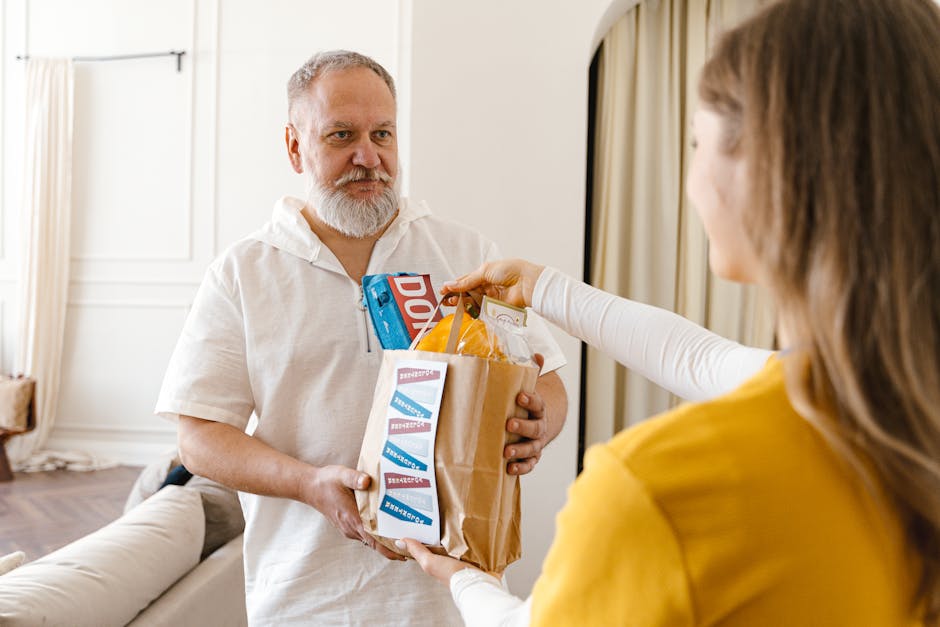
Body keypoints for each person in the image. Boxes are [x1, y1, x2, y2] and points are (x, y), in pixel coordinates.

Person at [400, 0, 940, 624]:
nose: (688, 179)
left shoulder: (655, 493)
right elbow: (703, 359)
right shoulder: (897, 419)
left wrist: (468, 582)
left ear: (769, 173)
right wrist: (543, 286)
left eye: (695, 142)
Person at [155, 50, 570, 626]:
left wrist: (536, 425)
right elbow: (198, 435)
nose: (367, 157)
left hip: (455, 595)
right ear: (295, 147)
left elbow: (546, 380)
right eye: (341, 135)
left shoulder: (468, 256)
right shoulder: (243, 272)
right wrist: (307, 485)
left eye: (383, 134)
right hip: (304, 599)